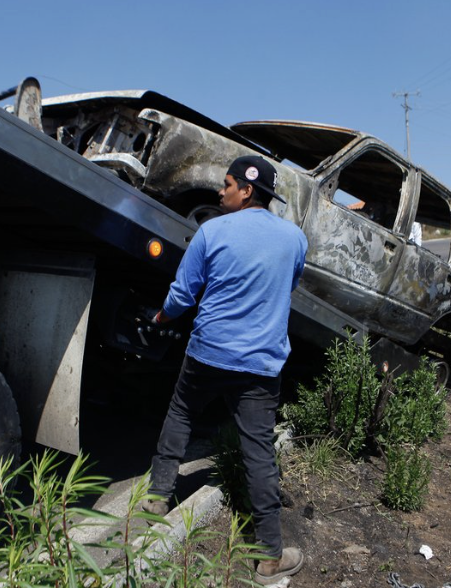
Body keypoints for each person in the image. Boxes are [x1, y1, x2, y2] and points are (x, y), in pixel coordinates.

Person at [145, 155, 308, 585]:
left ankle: (158, 498)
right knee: (258, 450)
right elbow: (287, 286)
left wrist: (161, 318)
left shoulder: (212, 231)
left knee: (181, 414)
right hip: (260, 364)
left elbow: (182, 295)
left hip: (208, 354)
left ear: (247, 190)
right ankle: (269, 558)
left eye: (227, 184)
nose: (220, 192)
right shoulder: (294, 239)